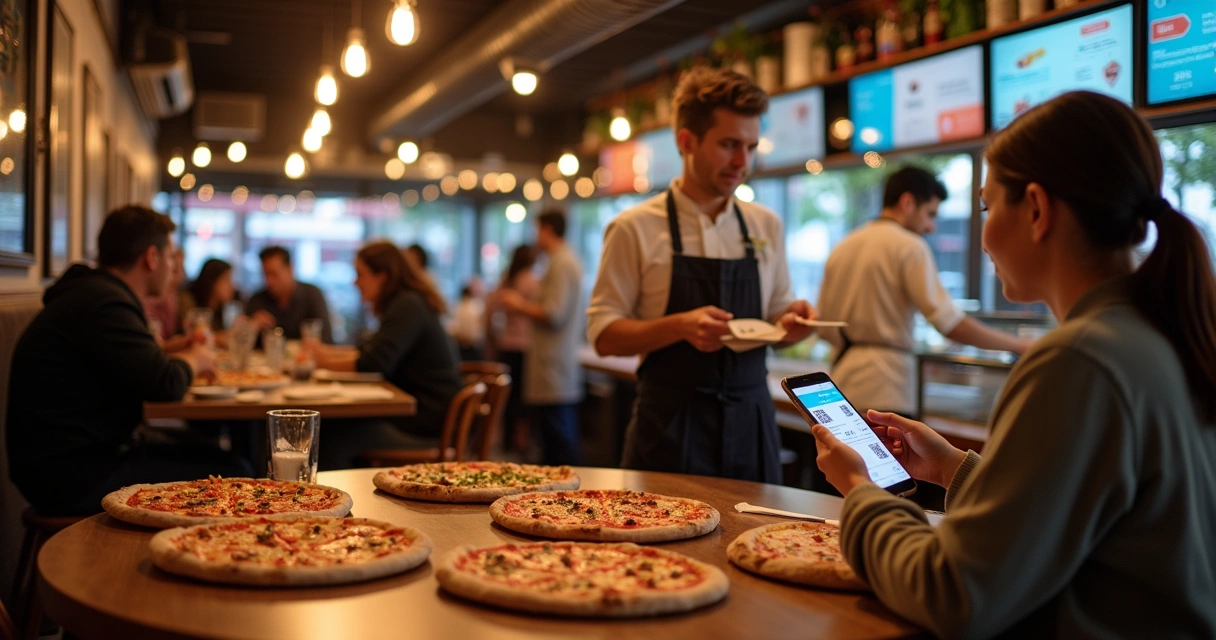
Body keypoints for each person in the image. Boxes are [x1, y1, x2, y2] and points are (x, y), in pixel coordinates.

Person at [811, 92, 1216, 638]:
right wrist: (954, 468)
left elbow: (954, 593)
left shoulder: (1079, 360)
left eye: (985, 207)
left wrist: (861, 494)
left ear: (1036, 209)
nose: (980, 234)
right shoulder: (1161, 330)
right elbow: (1088, 517)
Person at [587, 66, 817, 483]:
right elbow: (603, 335)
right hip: (670, 427)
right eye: (729, 145)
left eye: (750, 146)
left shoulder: (765, 225)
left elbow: (779, 312)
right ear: (686, 141)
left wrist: (791, 322)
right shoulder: (634, 227)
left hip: (752, 423)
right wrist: (679, 326)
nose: (742, 162)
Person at [6, 206, 250, 516]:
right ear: (151, 258)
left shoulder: (95, 294)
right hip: (73, 476)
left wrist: (172, 349)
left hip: (71, 461)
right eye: (171, 256)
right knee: (234, 470)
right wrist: (195, 357)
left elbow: (133, 363)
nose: (177, 269)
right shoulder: (106, 303)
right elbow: (166, 384)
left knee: (224, 459)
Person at [817, 166, 1031, 418]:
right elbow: (950, 323)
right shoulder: (909, 246)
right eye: (930, 214)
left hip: (841, 383)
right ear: (907, 202)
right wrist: (1019, 345)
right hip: (887, 389)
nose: (931, 227)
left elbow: (822, 327)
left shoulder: (844, 246)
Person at [309, 241, 462, 469]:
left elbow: (374, 362)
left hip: (425, 423)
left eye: (360, 274)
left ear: (382, 275)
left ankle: (338, 503)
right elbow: (370, 352)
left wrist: (322, 362)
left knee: (330, 435)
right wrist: (327, 355)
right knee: (334, 426)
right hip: (422, 415)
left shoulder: (406, 305)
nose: (355, 281)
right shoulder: (406, 302)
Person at [499, 212, 585, 465]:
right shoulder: (560, 261)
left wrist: (519, 304)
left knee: (560, 441)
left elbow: (553, 313)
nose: (535, 236)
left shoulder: (562, 262)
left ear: (547, 230)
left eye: (537, 229)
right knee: (553, 437)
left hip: (554, 362)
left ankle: (570, 497)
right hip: (553, 361)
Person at [486, 245, 540, 453]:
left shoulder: (505, 280)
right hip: (524, 346)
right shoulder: (530, 279)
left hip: (505, 345)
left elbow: (490, 310)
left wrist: (493, 336)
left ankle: (508, 441)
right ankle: (522, 442)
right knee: (523, 397)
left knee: (508, 397)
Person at [245, 246, 332, 342]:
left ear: (290, 268)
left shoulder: (311, 295)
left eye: (274, 274)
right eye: (265, 274)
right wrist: (253, 325)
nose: (269, 281)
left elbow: (325, 338)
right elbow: (244, 344)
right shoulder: (257, 300)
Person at [449, 279, 486, 361]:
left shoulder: (457, 306)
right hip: (473, 346)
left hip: (460, 346)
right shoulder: (476, 307)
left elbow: (452, 328)